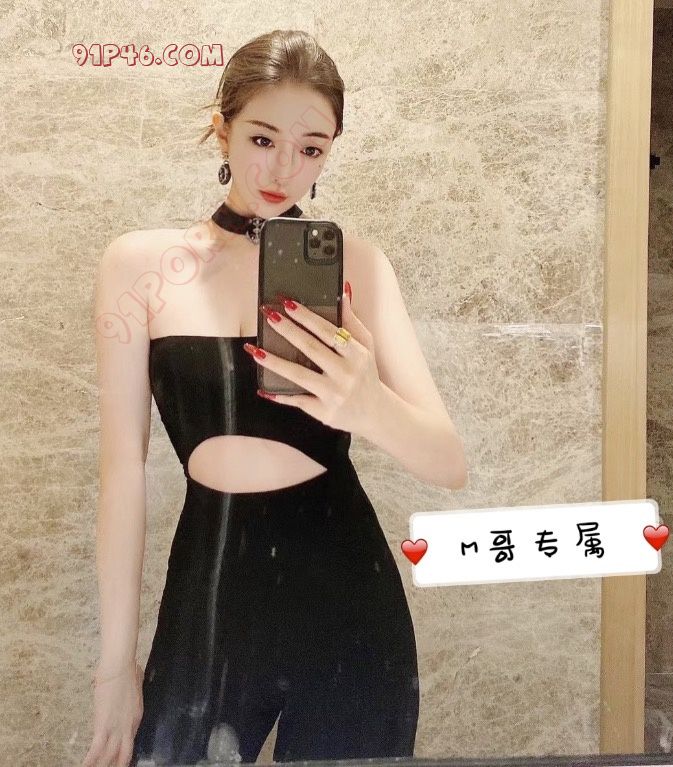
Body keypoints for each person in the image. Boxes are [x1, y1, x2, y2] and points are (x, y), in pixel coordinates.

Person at [83, 29, 468, 767]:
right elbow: (121, 472)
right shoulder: (139, 266)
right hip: (210, 590)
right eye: (263, 138)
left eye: (311, 148)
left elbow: (448, 462)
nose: (285, 168)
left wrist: (367, 405)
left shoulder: (359, 267)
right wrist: (114, 666)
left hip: (348, 597)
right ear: (222, 128)